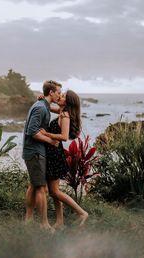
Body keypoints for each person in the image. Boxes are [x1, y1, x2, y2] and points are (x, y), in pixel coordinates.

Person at [40, 90, 88, 228]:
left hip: (55, 154)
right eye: (60, 94)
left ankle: (82, 213)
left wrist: (46, 133)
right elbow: (49, 106)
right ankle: (60, 221)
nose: (60, 97)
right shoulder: (61, 112)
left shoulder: (65, 116)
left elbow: (64, 136)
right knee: (54, 192)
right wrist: (44, 99)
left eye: (63, 96)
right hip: (53, 152)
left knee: (54, 191)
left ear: (68, 102)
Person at [22, 80, 62, 229]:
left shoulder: (43, 105)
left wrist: (62, 107)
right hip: (35, 152)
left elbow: (60, 110)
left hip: (33, 151)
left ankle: (28, 220)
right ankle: (44, 225)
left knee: (33, 185)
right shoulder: (40, 108)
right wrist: (50, 141)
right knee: (41, 188)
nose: (59, 95)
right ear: (51, 92)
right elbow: (32, 131)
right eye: (58, 92)